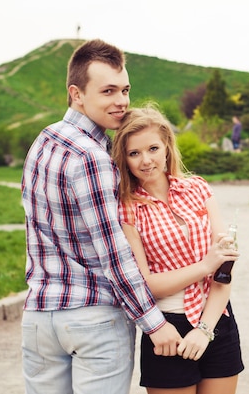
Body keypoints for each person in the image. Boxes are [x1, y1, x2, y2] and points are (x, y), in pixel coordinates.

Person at [20, 39, 182, 394]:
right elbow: (113, 252)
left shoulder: (43, 141)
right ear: (76, 94)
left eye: (125, 89)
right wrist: (155, 324)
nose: (121, 101)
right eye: (108, 91)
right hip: (93, 318)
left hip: (39, 317)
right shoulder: (91, 156)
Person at [112, 104, 244, 394]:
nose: (146, 161)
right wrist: (203, 266)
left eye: (153, 148)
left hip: (217, 320)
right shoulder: (127, 210)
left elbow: (224, 269)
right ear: (124, 158)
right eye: (134, 153)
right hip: (167, 329)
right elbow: (146, 285)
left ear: (167, 147)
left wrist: (205, 330)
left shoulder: (198, 188)